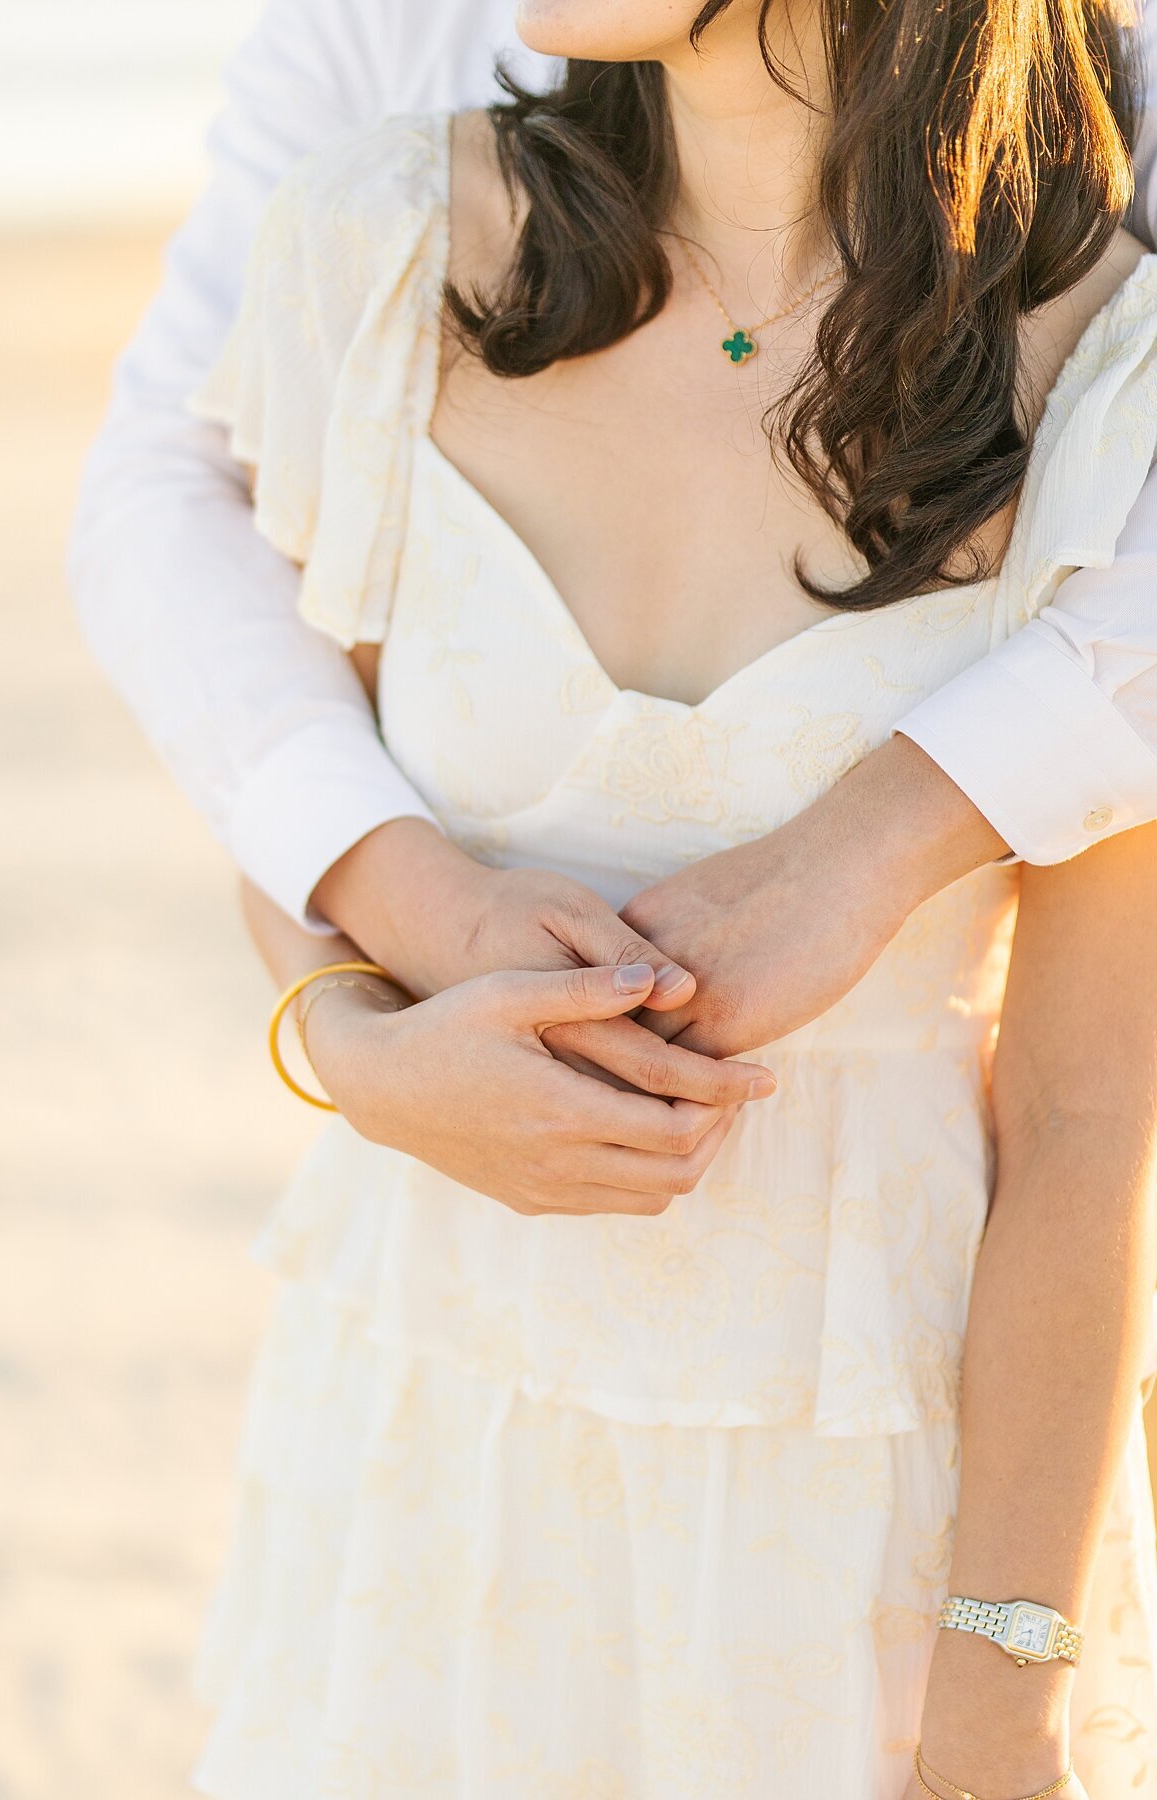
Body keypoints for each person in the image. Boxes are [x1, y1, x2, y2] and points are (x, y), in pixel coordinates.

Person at [77, 0, 1157, 1795]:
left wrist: (1002, 1693)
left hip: (858, 1501)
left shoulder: (1105, 366)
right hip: (424, 1452)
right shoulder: (389, 241)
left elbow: (1088, 1111)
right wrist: (355, 1033)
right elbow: (294, 795)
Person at [69, 0, 1157, 1169]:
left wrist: (880, 841)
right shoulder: (387, 222)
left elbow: (1084, 1113)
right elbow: (196, 509)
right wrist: (361, 1002)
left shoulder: (1093, 312)